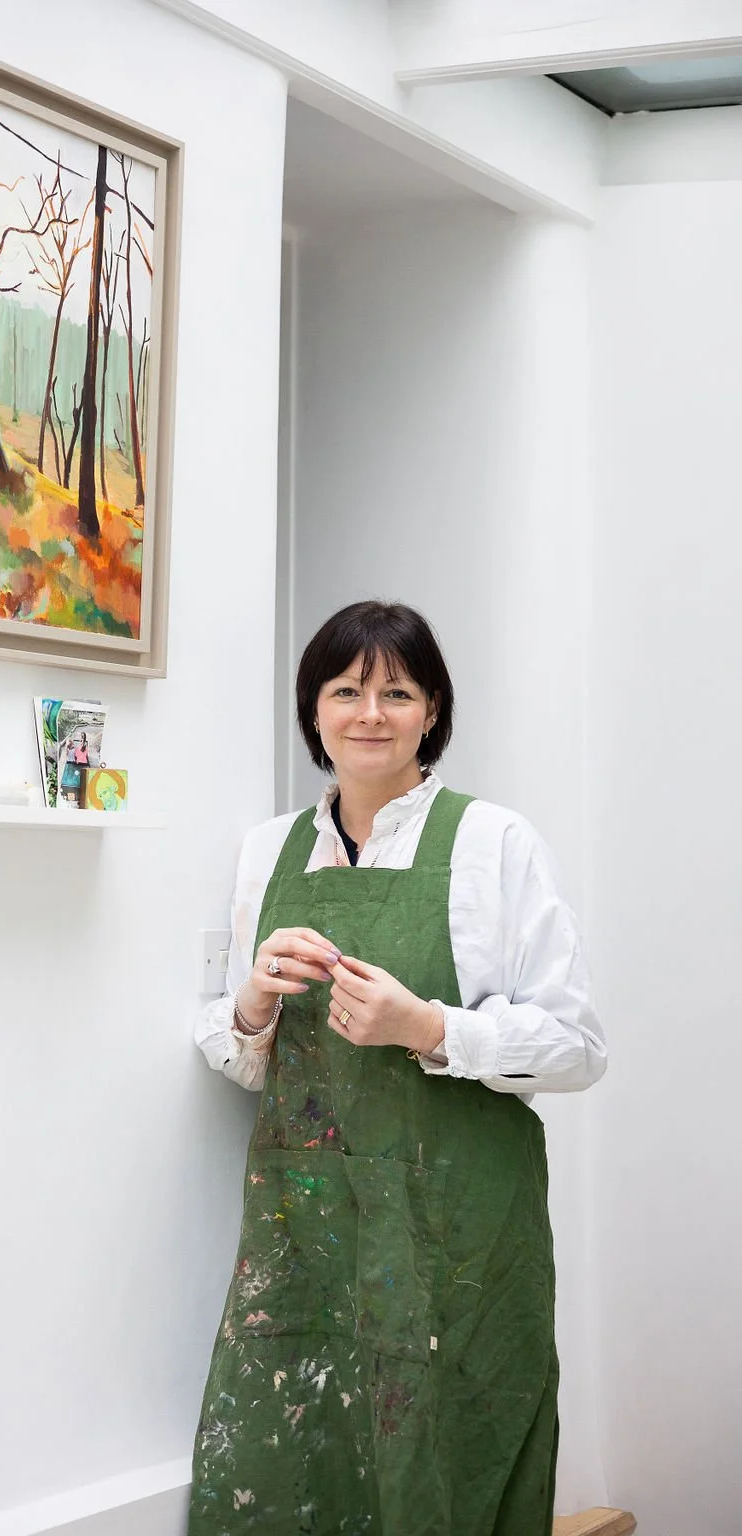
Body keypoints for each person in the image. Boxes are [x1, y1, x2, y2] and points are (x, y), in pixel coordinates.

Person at [189, 601, 606, 1536]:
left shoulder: (493, 842)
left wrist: (428, 1027)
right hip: (311, 1230)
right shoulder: (269, 849)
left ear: (432, 711)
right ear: (314, 711)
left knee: (452, 1449)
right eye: (346, 691)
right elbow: (241, 1058)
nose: (369, 713)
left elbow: (578, 1047)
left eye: (397, 692)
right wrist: (254, 1004)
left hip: (459, 1234)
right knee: (296, 1451)